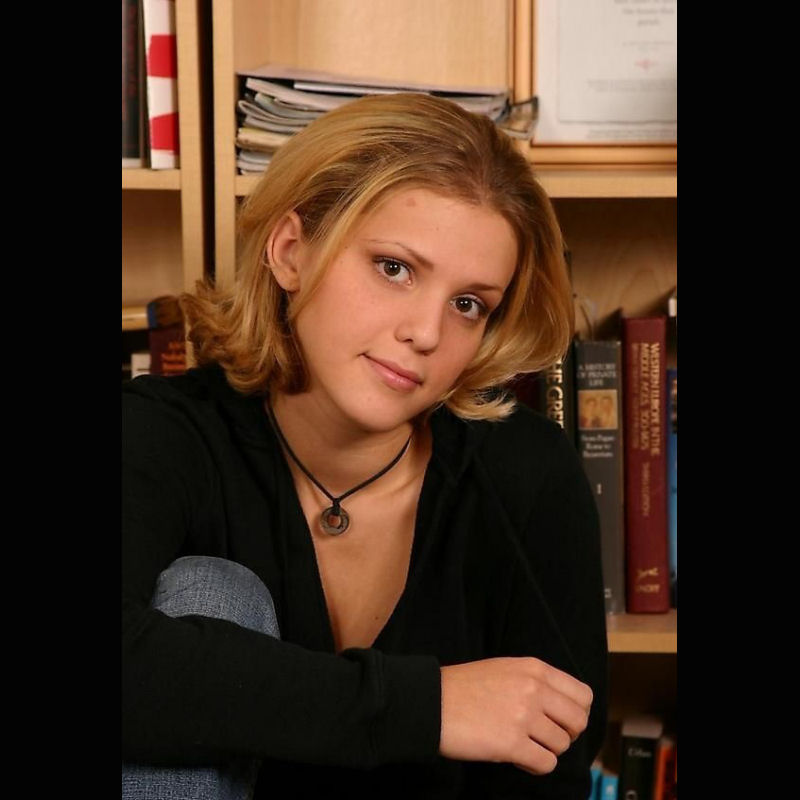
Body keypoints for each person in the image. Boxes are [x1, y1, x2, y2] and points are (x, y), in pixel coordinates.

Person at [122, 92, 608, 800]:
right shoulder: (165, 432)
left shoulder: (524, 472)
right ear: (290, 252)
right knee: (210, 591)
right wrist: (429, 708)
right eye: (395, 268)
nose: (426, 333)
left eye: (468, 304)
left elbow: (554, 759)